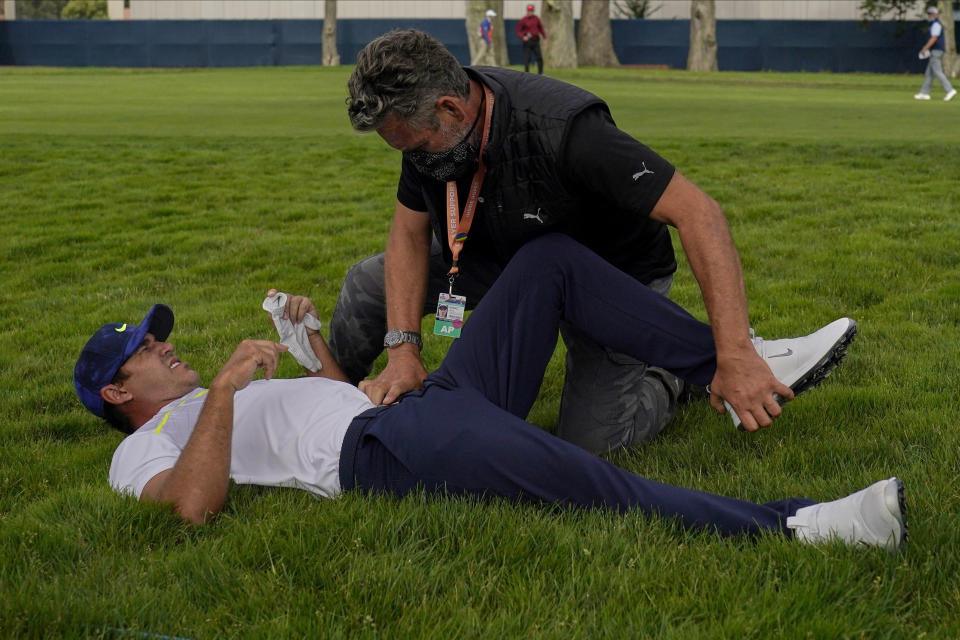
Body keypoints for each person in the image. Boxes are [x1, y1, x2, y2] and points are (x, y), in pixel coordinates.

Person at [74, 235, 905, 551]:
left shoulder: (207, 405)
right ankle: (801, 525)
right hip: (384, 452)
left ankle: (733, 364)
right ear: (119, 390)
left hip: (404, 404)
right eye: (149, 349)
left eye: (161, 335)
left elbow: (329, 397)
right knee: (580, 479)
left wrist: (310, 345)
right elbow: (191, 509)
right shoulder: (139, 449)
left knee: (551, 262)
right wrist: (221, 390)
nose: (168, 345)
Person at [335, 29, 834, 454]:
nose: (415, 160)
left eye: (417, 147)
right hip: (497, 255)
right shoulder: (425, 129)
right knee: (368, 282)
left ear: (451, 107)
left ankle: (670, 374)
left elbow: (700, 213)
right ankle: (330, 396)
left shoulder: (566, 129)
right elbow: (409, 233)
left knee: (594, 441)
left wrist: (735, 351)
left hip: (608, 279)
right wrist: (403, 350)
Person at [914, 5, 956, 102]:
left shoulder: (936, 24)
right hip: (936, 51)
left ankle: (949, 90)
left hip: (936, 51)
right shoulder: (935, 24)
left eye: (930, 14)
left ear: (934, 15)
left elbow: (934, 38)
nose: (929, 16)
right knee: (929, 73)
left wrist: (925, 48)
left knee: (937, 71)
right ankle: (924, 93)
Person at [516, 3, 546, 74]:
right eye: (529, 11)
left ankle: (540, 73)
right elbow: (518, 31)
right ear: (527, 11)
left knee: (539, 57)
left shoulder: (536, 19)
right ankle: (527, 73)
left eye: (531, 11)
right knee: (527, 58)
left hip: (535, 41)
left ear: (533, 11)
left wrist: (544, 37)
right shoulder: (523, 20)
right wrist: (523, 37)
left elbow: (540, 28)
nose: (530, 12)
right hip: (527, 41)